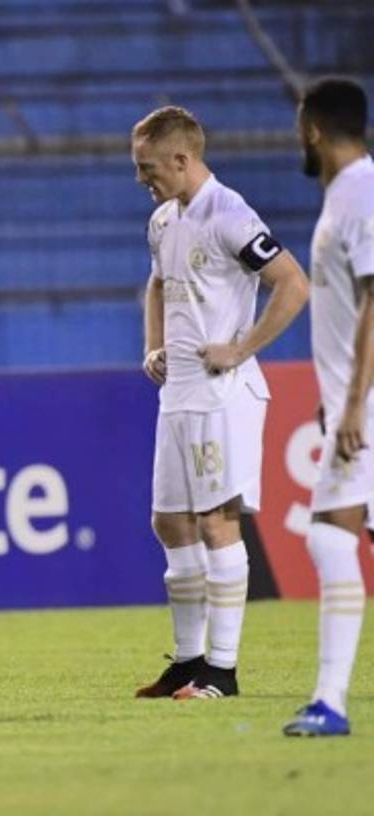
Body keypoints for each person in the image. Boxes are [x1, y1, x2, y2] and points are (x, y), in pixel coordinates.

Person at [133, 106, 308, 700]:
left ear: (182, 160)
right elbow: (157, 282)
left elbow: (293, 283)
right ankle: (187, 662)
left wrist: (240, 348)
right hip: (178, 393)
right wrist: (153, 343)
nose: (141, 178)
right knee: (170, 522)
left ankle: (223, 673)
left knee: (216, 522)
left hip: (222, 394)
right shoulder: (163, 220)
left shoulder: (229, 214)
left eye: (148, 167)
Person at [283, 77, 374, 737]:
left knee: (328, 534)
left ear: (312, 128)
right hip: (355, 399)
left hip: (364, 405)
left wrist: (350, 405)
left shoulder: (360, 193)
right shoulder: (348, 195)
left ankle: (331, 702)